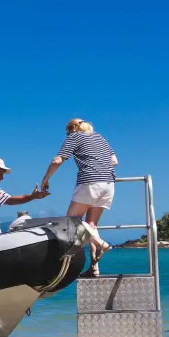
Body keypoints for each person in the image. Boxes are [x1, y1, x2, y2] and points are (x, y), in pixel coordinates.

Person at [40, 118, 117, 276]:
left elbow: (58, 160)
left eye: (67, 132)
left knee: (71, 222)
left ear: (73, 128)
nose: (67, 134)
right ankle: (94, 268)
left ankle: (101, 244)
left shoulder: (74, 136)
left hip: (89, 182)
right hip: (108, 183)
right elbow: (114, 161)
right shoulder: (100, 137)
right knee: (91, 226)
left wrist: (45, 179)